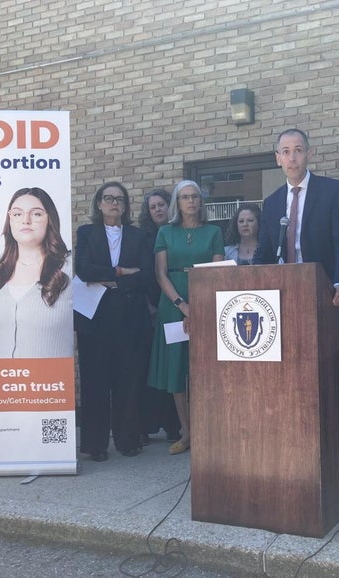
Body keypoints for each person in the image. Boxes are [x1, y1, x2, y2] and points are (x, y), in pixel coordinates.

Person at [75, 182, 153, 461]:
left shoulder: (138, 236)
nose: (114, 203)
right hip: (94, 316)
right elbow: (83, 270)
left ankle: (127, 440)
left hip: (129, 313)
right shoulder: (86, 233)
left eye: (119, 199)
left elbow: (145, 275)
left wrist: (111, 279)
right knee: (95, 380)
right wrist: (121, 270)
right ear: (99, 203)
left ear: (126, 205)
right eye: (108, 198)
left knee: (127, 380)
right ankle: (95, 445)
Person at [147, 180, 224, 455]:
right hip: (173, 305)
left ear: (201, 202)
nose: (190, 201)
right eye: (184, 197)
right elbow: (160, 273)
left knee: (206, 368)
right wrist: (182, 304)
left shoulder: (215, 231)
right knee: (177, 368)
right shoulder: (166, 232)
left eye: (194, 197)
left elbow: (218, 271)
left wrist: (199, 306)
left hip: (207, 304)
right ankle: (187, 432)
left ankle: (209, 431)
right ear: (176, 203)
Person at [0, 187, 72, 359]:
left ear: (49, 220)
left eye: (36, 214)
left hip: (48, 383)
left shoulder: (69, 268)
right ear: (10, 221)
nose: (26, 220)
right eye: (17, 214)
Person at [256, 128, 339, 307]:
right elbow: (265, 251)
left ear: (309, 153)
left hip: (326, 291)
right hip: (283, 293)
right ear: (278, 158)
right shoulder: (271, 202)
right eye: (286, 152)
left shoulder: (332, 191)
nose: (292, 158)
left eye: (298, 150)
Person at [138, 189, 181, 445]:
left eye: (161, 204)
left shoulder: (178, 233)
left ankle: (174, 426)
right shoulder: (144, 239)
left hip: (174, 308)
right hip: (149, 312)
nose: (158, 210)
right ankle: (147, 425)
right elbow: (144, 275)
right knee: (148, 370)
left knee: (172, 369)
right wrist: (150, 307)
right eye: (152, 206)